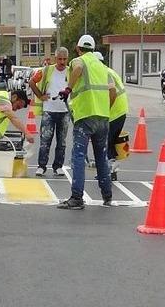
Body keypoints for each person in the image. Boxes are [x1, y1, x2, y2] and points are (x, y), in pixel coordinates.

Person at [56, 35, 115, 210]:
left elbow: (79, 68)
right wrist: (105, 109)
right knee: (101, 157)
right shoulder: (103, 67)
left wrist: (68, 89)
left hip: (85, 117)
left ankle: (76, 198)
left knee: (79, 156)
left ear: (78, 48)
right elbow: (112, 92)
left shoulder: (78, 61)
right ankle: (107, 194)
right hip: (102, 118)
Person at [30, 47, 70, 177]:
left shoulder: (71, 72)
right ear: (55, 58)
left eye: (64, 59)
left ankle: (58, 166)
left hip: (64, 111)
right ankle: (41, 166)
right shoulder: (46, 70)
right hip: (49, 111)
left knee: (62, 141)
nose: (62, 62)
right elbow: (32, 82)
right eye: (60, 59)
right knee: (45, 140)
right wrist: (40, 95)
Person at [94, 51, 128, 180]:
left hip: (114, 112)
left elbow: (112, 93)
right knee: (111, 141)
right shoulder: (109, 71)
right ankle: (111, 170)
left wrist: (105, 111)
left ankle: (108, 171)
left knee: (106, 141)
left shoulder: (104, 73)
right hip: (120, 110)